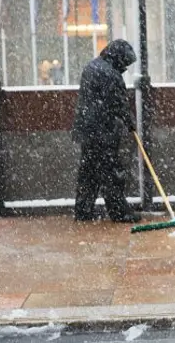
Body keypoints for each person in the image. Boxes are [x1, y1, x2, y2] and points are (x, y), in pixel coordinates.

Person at [72, 39, 141, 223]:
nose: (125, 66)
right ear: (118, 57)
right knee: (111, 173)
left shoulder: (92, 66)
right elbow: (118, 103)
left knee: (89, 173)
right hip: (102, 131)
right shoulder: (111, 75)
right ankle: (120, 212)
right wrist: (130, 123)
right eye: (125, 62)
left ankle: (83, 211)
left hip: (87, 130)